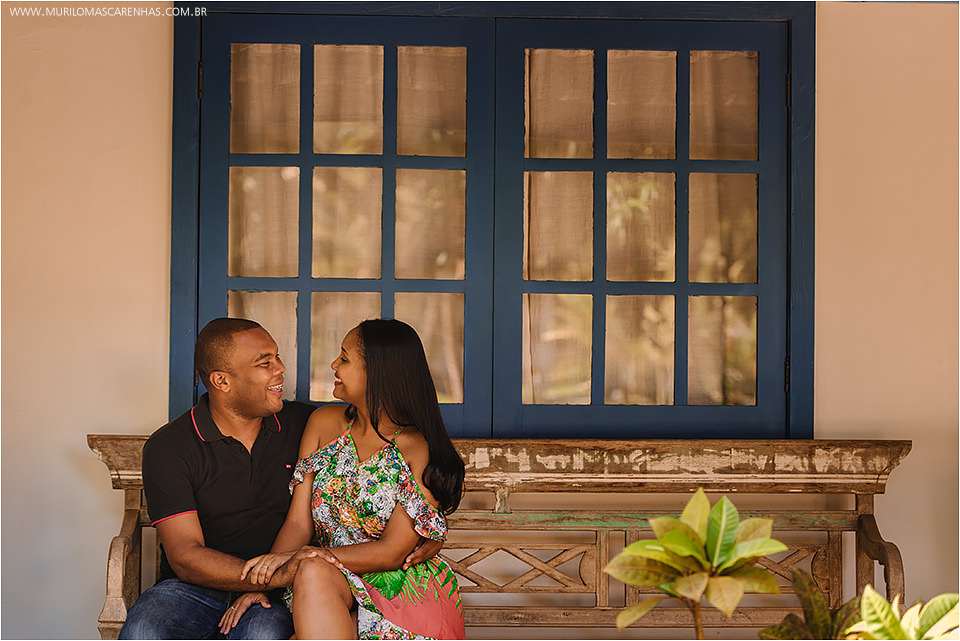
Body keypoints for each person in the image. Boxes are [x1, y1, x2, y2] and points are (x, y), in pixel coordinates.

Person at [119, 318, 440, 639]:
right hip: (194, 589)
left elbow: (400, 463)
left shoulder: (307, 422)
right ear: (221, 380)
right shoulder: (170, 446)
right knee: (144, 629)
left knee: (265, 635)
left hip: (278, 591)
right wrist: (275, 574)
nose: (281, 369)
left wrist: (429, 530)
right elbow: (186, 556)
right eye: (265, 363)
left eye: (277, 357)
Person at [220, 319, 466, 640]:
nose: (334, 365)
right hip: (327, 581)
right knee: (312, 570)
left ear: (378, 373)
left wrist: (295, 559)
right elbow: (298, 523)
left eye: (345, 359)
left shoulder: (419, 450)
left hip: (398, 591)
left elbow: (392, 552)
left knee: (310, 577)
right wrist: (268, 580)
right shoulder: (323, 423)